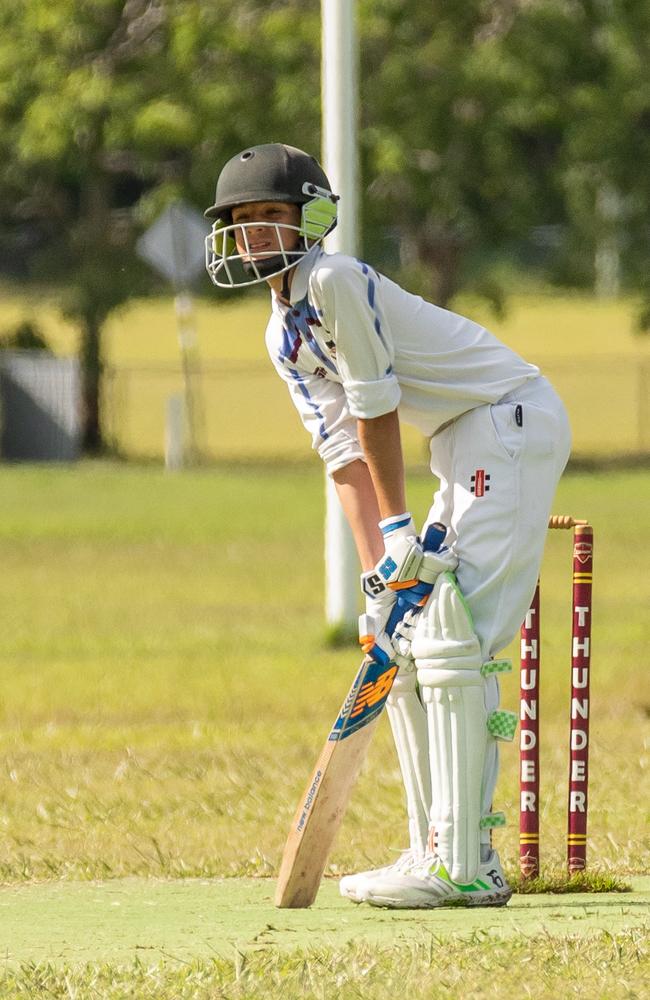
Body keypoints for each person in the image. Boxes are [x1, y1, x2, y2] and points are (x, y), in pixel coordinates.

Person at [204, 143, 571, 909]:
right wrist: (378, 568)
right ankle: (435, 852)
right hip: (462, 441)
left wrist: (402, 528)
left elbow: (374, 406)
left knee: (449, 635)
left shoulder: (335, 280)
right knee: (401, 634)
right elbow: (341, 452)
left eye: (271, 217)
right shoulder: (281, 334)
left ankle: (463, 862)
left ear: (311, 217)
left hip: (504, 418)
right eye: (241, 224)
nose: (256, 237)